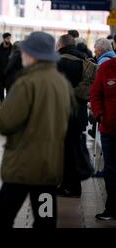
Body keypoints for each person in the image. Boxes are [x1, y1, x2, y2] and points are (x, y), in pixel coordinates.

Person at [0, 32, 71, 229]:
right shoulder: (61, 82)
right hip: (49, 167)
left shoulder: (26, 83)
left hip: (24, 167)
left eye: (25, 52)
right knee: (45, 220)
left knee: (0, 218)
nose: (22, 55)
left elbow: (6, 121)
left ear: (32, 55)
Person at [56, 35, 89, 197]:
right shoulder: (85, 61)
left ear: (60, 45)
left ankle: (68, 186)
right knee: (73, 150)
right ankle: (73, 186)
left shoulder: (58, 62)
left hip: (61, 114)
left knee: (64, 152)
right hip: (79, 114)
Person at [90, 57, 116, 220]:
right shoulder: (106, 67)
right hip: (109, 129)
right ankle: (112, 208)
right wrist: (99, 114)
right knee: (111, 170)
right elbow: (95, 94)